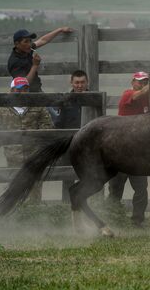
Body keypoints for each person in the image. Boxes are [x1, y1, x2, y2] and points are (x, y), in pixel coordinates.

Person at [0, 77, 54, 203]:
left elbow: (48, 129)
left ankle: (34, 216)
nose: (22, 92)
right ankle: (14, 218)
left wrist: (42, 150)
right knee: (13, 191)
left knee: (35, 192)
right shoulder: (2, 110)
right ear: (11, 90)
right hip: (13, 158)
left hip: (35, 157)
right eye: (18, 89)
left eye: (25, 89)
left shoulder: (38, 107)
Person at [108, 71, 150, 227]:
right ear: (133, 82)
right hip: (121, 150)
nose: (142, 84)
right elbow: (137, 95)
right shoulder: (128, 94)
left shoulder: (148, 96)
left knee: (141, 188)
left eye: (145, 81)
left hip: (138, 151)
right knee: (116, 187)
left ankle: (137, 220)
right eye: (140, 81)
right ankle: (112, 216)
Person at [55, 70, 89, 203]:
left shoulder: (95, 98)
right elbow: (58, 124)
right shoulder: (65, 100)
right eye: (77, 82)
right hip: (69, 144)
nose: (79, 85)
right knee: (67, 176)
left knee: (92, 176)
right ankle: (66, 205)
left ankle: (90, 204)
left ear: (87, 82)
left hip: (90, 145)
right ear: (71, 83)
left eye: (82, 82)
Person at [8, 27, 74, 93]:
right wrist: (35, 65)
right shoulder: (15, 61)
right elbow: (23, 83)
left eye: (30, 41)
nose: (29, 44)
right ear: (17, 44)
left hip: (37, 90)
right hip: (27, 95)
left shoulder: (26, 50)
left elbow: (43, 40)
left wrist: (60, 29)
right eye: (26, 41)